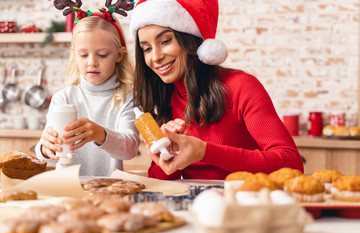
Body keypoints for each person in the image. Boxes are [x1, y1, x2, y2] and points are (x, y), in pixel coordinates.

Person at [129, 0, 303, 180]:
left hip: (246, 203)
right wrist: (167, 153)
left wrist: (204, 152)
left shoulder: (241, 87)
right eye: (147, 49)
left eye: (165, 41)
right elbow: (162, 183)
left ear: (189, 39)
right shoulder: (165, 98)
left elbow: (291, 163)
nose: (155, 57)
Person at [35, 2, 140, 176]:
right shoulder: (64, 98)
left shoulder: (127, 99)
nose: (92, 62)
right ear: (75, 54)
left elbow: (129, 149)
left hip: (109, 192)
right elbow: (45, 154)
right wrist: (45, 148)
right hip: (68, 189)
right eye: (84, 55)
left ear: (119, 55)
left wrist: (100, 134)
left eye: (102, 55)